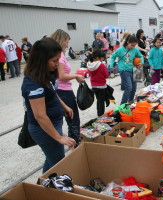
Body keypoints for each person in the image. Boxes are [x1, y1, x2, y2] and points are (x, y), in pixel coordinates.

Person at [21, 38, 76, 173]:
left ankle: (43, 185)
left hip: (53, 123)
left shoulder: (45, 74)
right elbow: (40, 115)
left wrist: (63, 106)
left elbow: (51, 92)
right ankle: (48, 188)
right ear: (41, 60)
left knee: (52, 160)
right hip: (42, 129)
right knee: (58, 161)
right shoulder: (33, 84)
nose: (58, 64)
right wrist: (59, 137)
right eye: (54, 61)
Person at [50, 29, 84, 144]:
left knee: (71, 119)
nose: (67, 44)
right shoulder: (59, 57)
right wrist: (76, 76)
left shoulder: (60, 55)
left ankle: (73, 142)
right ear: (61, 40)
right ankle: (75, 143)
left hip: (63, 90)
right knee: (73, 119)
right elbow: (61, 76)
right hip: (63, 91)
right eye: (66, 41)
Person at [109, 35, 143, 104]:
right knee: (129, 87)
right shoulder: (120, 50)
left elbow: (140, 56)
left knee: (134, 88)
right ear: (127, 42)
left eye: (134, 45)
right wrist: (112, 65)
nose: (133, 47)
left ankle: (130, 102)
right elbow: (112, 56)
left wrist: (141, 62)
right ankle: (123, 104)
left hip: (135, 70)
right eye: (132, 45)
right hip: (124, 70)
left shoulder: (135, 49)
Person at [87, 50, 109, 117]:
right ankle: (101, 115)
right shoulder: (101, 65)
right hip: (102, 86)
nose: (103, 59)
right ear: (98, 57)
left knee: (98, 100)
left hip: (94, 86)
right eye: (102, 57)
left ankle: (99, 114)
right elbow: (106, 75)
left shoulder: (89, 65)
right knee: (101, 101)